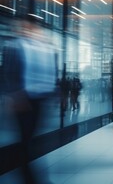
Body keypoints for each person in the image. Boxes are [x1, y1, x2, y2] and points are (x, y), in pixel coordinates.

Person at [2, 16, 57, 184]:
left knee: (30, 139)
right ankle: (30, 178)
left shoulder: (46, 47)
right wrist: (15, 95)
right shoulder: (15, 45)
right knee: (25, 140)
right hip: (23, 99)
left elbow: (51, 74)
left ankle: (29, 175)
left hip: (39, 99)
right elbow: (7, 73)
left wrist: (53, 95)